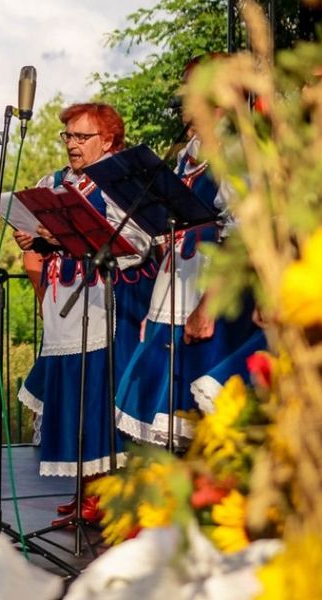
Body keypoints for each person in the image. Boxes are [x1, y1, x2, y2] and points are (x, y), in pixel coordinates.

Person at [14, 102, 155, 528]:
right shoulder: (53, 183)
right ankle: (84, 492)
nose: (72, 145)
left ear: (108, 139)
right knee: (71, 402)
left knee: (95, 400)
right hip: (62, 304)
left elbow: (138, 242)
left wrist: (67, 236)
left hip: (101, 303)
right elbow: (37, 231)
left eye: (81, 137)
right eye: (68, 136)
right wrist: (30, 237)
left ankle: (104, 493)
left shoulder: (120, 183)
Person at [114, 71, 266, 446]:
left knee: (200, 419)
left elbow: (243, 231)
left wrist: (208, 307)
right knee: (159, 408)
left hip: (205, 289)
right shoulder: (187, 153)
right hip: (174, 289)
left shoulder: (235, 152)